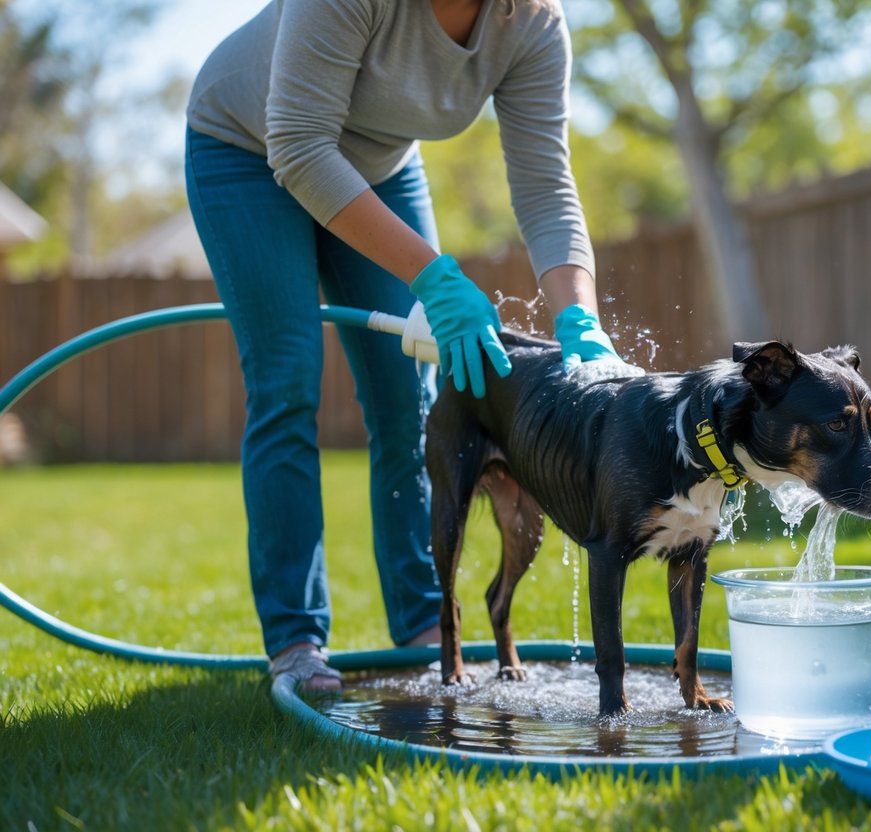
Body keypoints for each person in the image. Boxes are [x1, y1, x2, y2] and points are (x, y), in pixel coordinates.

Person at [185, 0, 625, 691]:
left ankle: (425, 630)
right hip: (248, 148)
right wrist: (436, 279)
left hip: (381, 168)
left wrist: (581, 322)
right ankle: (295, 641)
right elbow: (298, 145)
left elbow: (545, 184)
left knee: (409, 399)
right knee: (286, 379)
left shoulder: (533, 23)